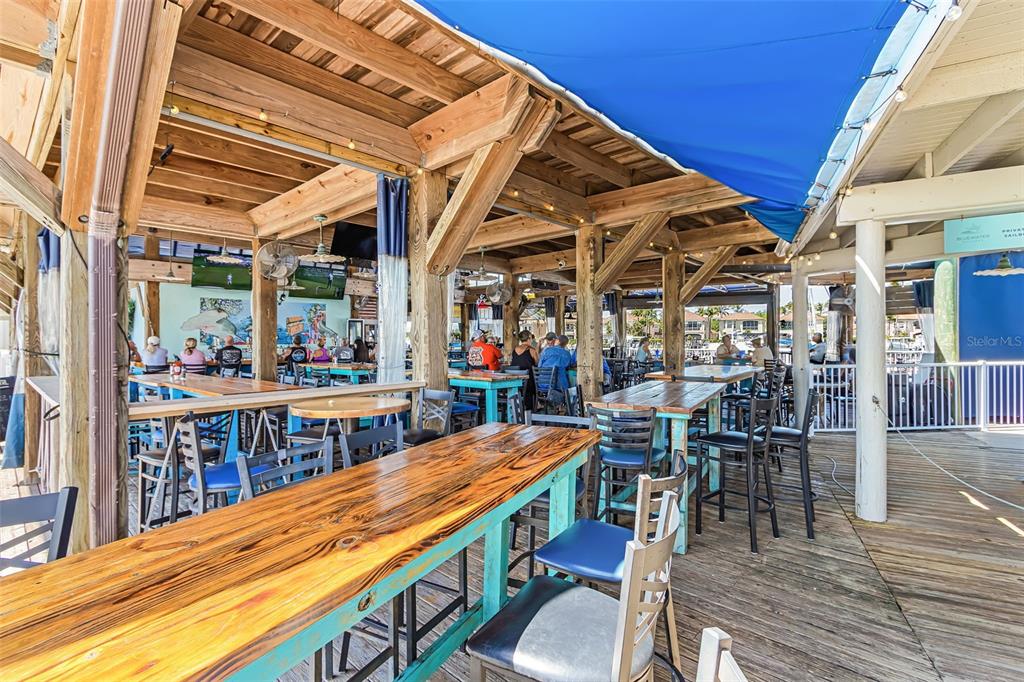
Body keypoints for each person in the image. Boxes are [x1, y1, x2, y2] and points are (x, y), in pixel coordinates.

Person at [509, 329, 540, 407]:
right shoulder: (531, 350)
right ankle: (535, 404)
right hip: (528, 380)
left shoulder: (515, 349)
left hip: (515, 380)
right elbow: (537, 363)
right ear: (529, 338)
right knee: (535, 377)